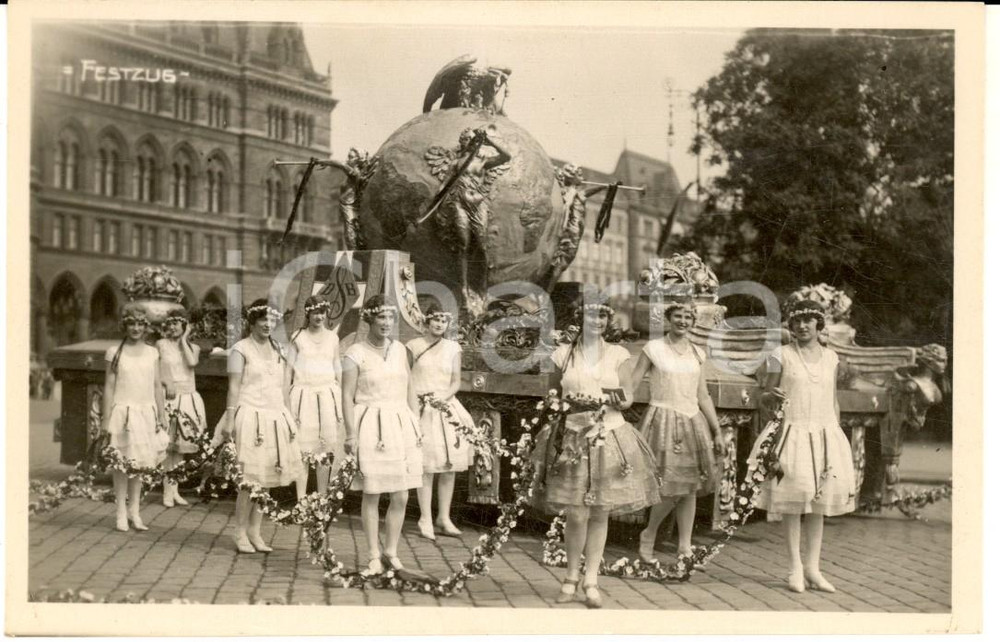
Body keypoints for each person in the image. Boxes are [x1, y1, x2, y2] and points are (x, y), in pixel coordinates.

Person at [530, 302, 660, 608]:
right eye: (591, 315)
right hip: (572, 437)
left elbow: (629, 395)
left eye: (602, 316)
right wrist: (563, 406)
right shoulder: (563, 354)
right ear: (580, 318)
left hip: (608, 433)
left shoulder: (618, 354)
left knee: (600, 510)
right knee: (576, 512)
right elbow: (551, 394)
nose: (597, 321)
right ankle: (570, 577)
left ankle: (591, 580)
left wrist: (620, 400)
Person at [750, 299, 856, 593]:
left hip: (824, 433)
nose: (802, 325)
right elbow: (762, 396)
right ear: (791, 325)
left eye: (809, 320)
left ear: (819, 324)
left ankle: (813, 568)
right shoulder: (779, 354)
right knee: (794, 500)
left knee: (818, 502)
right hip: (792, 432)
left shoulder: (832, 358)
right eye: (797, 321)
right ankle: (794, 567)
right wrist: (771, 396)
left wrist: (836, 435)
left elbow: (833, 399)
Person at [630, 300, 725, 563]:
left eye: (688, 317)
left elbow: (703, 394)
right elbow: (634, 381)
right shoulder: (654, 348)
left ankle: (684, 547)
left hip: (692, 421)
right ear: (668, 319)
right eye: (678, 316)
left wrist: (716, 430)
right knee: (672, 488)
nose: (683, 321)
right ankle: (649, 534)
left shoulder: (697, 353)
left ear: (694, 322)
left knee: (690, 487)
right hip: (662, 420)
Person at [342, 295, 424, 574]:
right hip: (370, 425)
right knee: (373, 492)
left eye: (391, 318)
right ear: (369, 319)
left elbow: (410, 387)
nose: (387, 323)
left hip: (400, 423)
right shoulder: (355, 353)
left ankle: (391, 550)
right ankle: (373, 554)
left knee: (401, 494)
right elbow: (346, 395)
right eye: (381, 317)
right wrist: (350, 433)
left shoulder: (400, 350)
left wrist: (415, 422)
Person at [216, 299, 304, 554]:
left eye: (272, 320)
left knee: (266, 477)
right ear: (252, 322)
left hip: (275, 415)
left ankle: (255, 530)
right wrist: (230, 419)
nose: (268, 324)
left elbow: (283, 387)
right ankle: (240, 531)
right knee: (248, 479)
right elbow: (233, 387)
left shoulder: (280, 349)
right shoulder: (240, 349)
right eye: (263, 319)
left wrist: (289, 416)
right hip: (250, 415)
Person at [407, 303, 474, 540]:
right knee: (426, 466)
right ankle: (424, 517)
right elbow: (407, 379)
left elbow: (456, 381)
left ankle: (443, 517)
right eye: (435, 320)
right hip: (421, 408)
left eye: (443, 321)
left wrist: (442, 398)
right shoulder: (413, 346)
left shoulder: (453, 347)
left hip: (446, 408)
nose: (439, 324)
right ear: (426, 322)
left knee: (448, 466)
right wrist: (419, 403)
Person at [101, 306, 169, 532]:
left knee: (140, 464)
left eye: (140, 324)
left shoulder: (152, 353)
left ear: (146, 327)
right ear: (125, 326)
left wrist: (161, 413)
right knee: (121, 464)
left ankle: (135, 511)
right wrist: (106, 418)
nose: (136, 328)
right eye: (132, 324)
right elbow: (109, 387)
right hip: (123, 412)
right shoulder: (114, 352)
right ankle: (120, 511)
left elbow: (157, 385)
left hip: (146, 412)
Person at [289, 296, 343, 499]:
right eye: (314, 312)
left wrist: (343, 393)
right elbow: (289, 369)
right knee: (303, 448)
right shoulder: (298, 337)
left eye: (322, 312)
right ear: (308, 314)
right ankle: (301, 498)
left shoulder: (333, 338)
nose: (319, 316)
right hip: (304, 396)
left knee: (325, 448)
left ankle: (322, 497)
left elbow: (337, 365)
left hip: (328, 397)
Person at [156, 311, 206, 507]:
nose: (175, 327)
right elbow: (157, 368)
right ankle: (167, 492)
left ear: (186, 326)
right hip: (170, 396)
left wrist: (184, 339)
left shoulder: (193, 347)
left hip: (187, 398)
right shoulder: (161, 344)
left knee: (180, 448)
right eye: (172, 323)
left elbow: (192, 363)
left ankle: (174, 490)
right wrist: (165, 381)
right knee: (168, 446)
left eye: (179, 323)